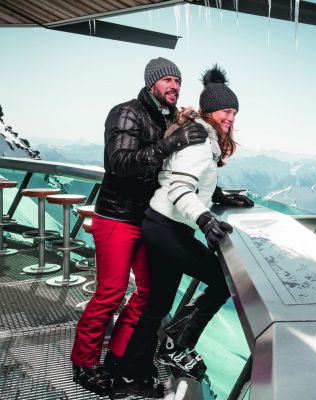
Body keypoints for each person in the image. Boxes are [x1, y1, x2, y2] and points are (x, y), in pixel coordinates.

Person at [70, 57, 209, 398]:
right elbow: (120, 162)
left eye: (178, 80)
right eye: (167, 80)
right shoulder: (127, 112)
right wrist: (172, 142)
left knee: (147, 293)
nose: (174, 85)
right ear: (152, 83)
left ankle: (119, 355)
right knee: (111, 293)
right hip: (117, 218)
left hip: (145, 221)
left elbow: (170, 173)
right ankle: (84, 363)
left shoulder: (164, 118)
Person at [113, 64, 252, 391]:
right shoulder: (200, 142)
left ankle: (130, 373)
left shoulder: (203, 135)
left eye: (234, 112)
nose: (231, 118)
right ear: (210, 110)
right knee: (222, 279)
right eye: (225, 111)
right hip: (166, 228)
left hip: (163, 225)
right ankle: (175, 344)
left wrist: (220, 195)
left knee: (156, 305)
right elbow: (179, 189)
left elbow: (187, 180)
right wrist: (205, 219)